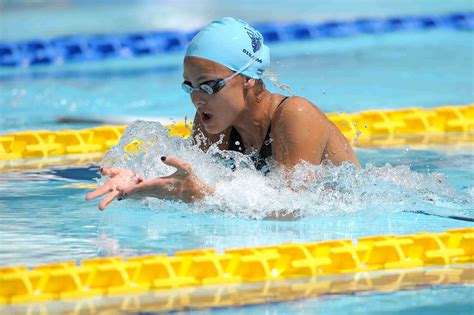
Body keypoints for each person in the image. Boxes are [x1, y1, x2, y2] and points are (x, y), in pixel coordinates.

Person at [86, 17, 360, 211]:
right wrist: (139, 182)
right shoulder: (211, 122)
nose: (196, 98)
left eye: (208, 86)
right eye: (190, 86)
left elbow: (292, 210)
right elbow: (190, 183)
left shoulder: (295, 115)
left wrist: (198, 196)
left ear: (248, 79)